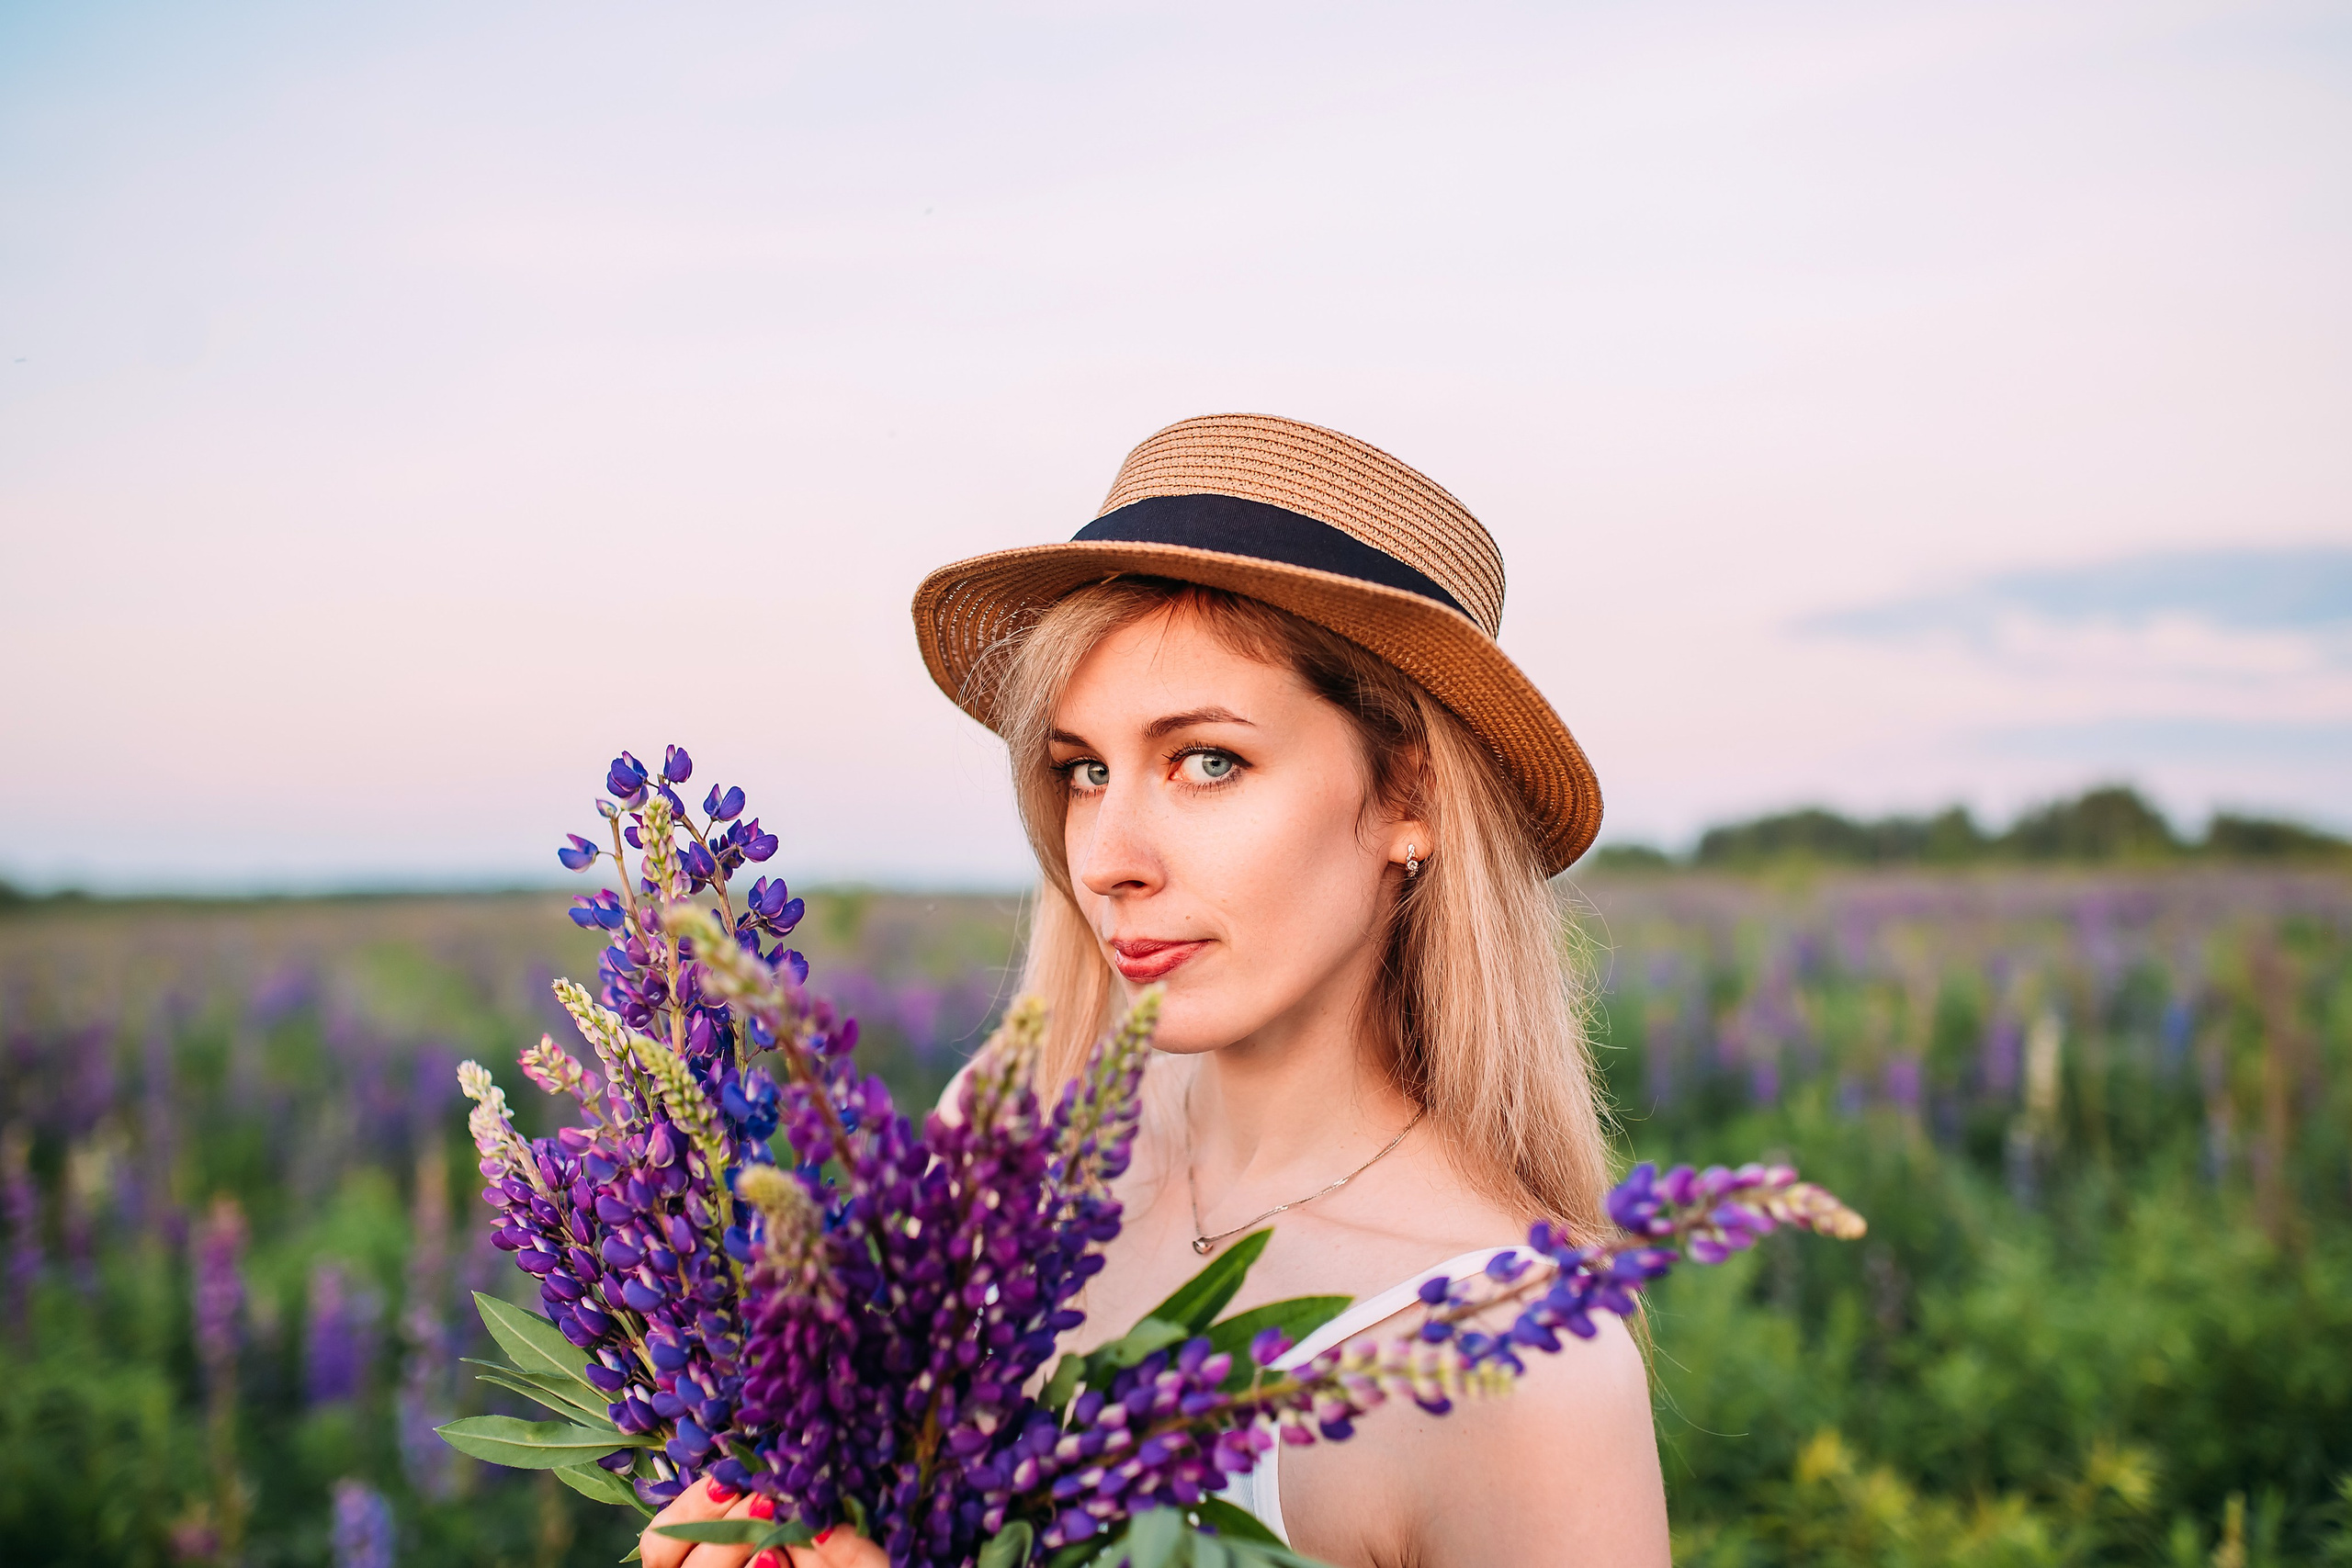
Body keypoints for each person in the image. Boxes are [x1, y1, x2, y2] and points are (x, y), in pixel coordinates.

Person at [644, 414, 1668, 1568]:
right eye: (1084, 770)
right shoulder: (1012, 1133)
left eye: (1206, 761)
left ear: (1409, 797)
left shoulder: (1513, 1359)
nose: (1104, 859)